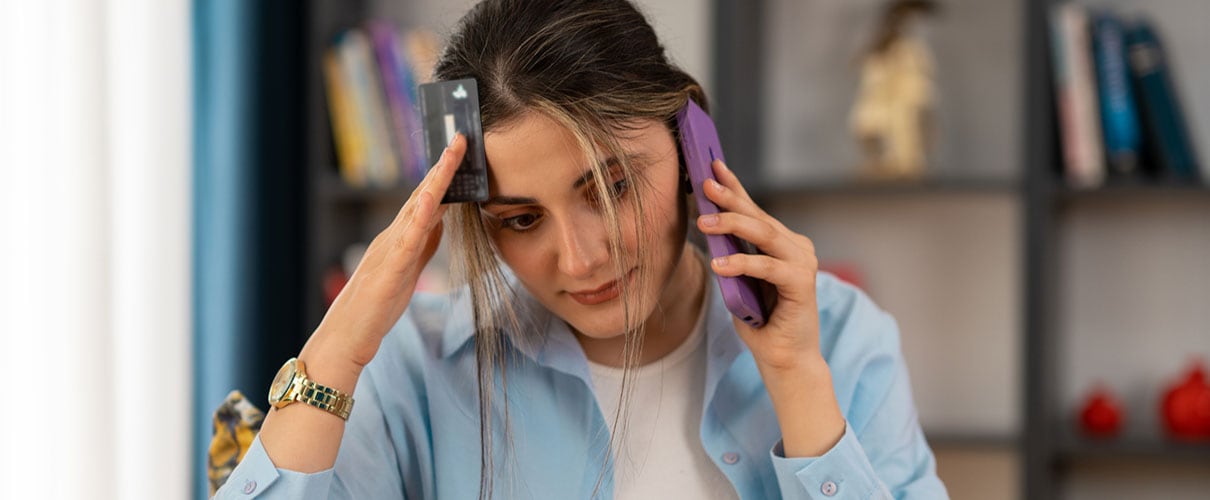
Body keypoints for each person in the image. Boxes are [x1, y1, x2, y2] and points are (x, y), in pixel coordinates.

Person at [214, 0, 948, 498]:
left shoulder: (842, 340)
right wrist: (339, 347)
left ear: (691, 139)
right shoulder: (415, 369)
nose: (581, 259)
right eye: (521, 220)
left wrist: (795, 380)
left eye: (611, 186)